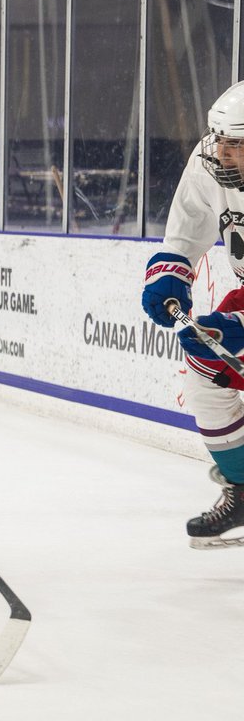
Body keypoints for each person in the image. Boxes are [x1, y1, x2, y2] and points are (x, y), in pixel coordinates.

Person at [143, 79, 244, 548]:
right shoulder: (210, 158)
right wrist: (171, 276)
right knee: (207, 365)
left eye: (236, 146)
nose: (223, 154)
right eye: (221, 141)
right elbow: (184, 235)